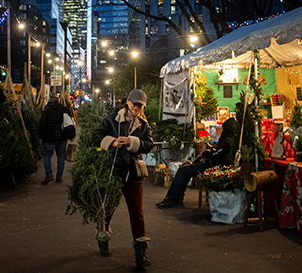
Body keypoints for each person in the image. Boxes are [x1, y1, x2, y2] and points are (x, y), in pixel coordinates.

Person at [93, 89, 155, 267]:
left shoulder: (144, 124)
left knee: (137, 213)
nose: (136, 107)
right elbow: (96, 135)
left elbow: (149, 144)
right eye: (134, 103)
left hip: (134, 174)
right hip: (113, 172)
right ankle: (103, 239)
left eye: (140, 105)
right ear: (127, 102)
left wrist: (131, 142)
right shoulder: (113, 119)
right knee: (107, 209)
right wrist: (111, 141)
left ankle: (140, 253)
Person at [156, 117, 239, 209]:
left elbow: (216, 155)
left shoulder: (228, 142)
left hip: (212, 165)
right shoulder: (232, 141)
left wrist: (206, 153)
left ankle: (172, 199)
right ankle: (176, 197)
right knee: (185, 169)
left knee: (182, 171)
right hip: (214, 164)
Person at [37, 96, 73, 184]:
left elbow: (42, 124)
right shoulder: (64, 109)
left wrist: (40, 136)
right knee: (61, 156)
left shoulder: (47, 110)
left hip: (49, 137)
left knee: (47, 156)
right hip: (62, 137)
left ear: (49, 101)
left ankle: (49, 175)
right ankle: (59, 177)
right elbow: (70, 121)